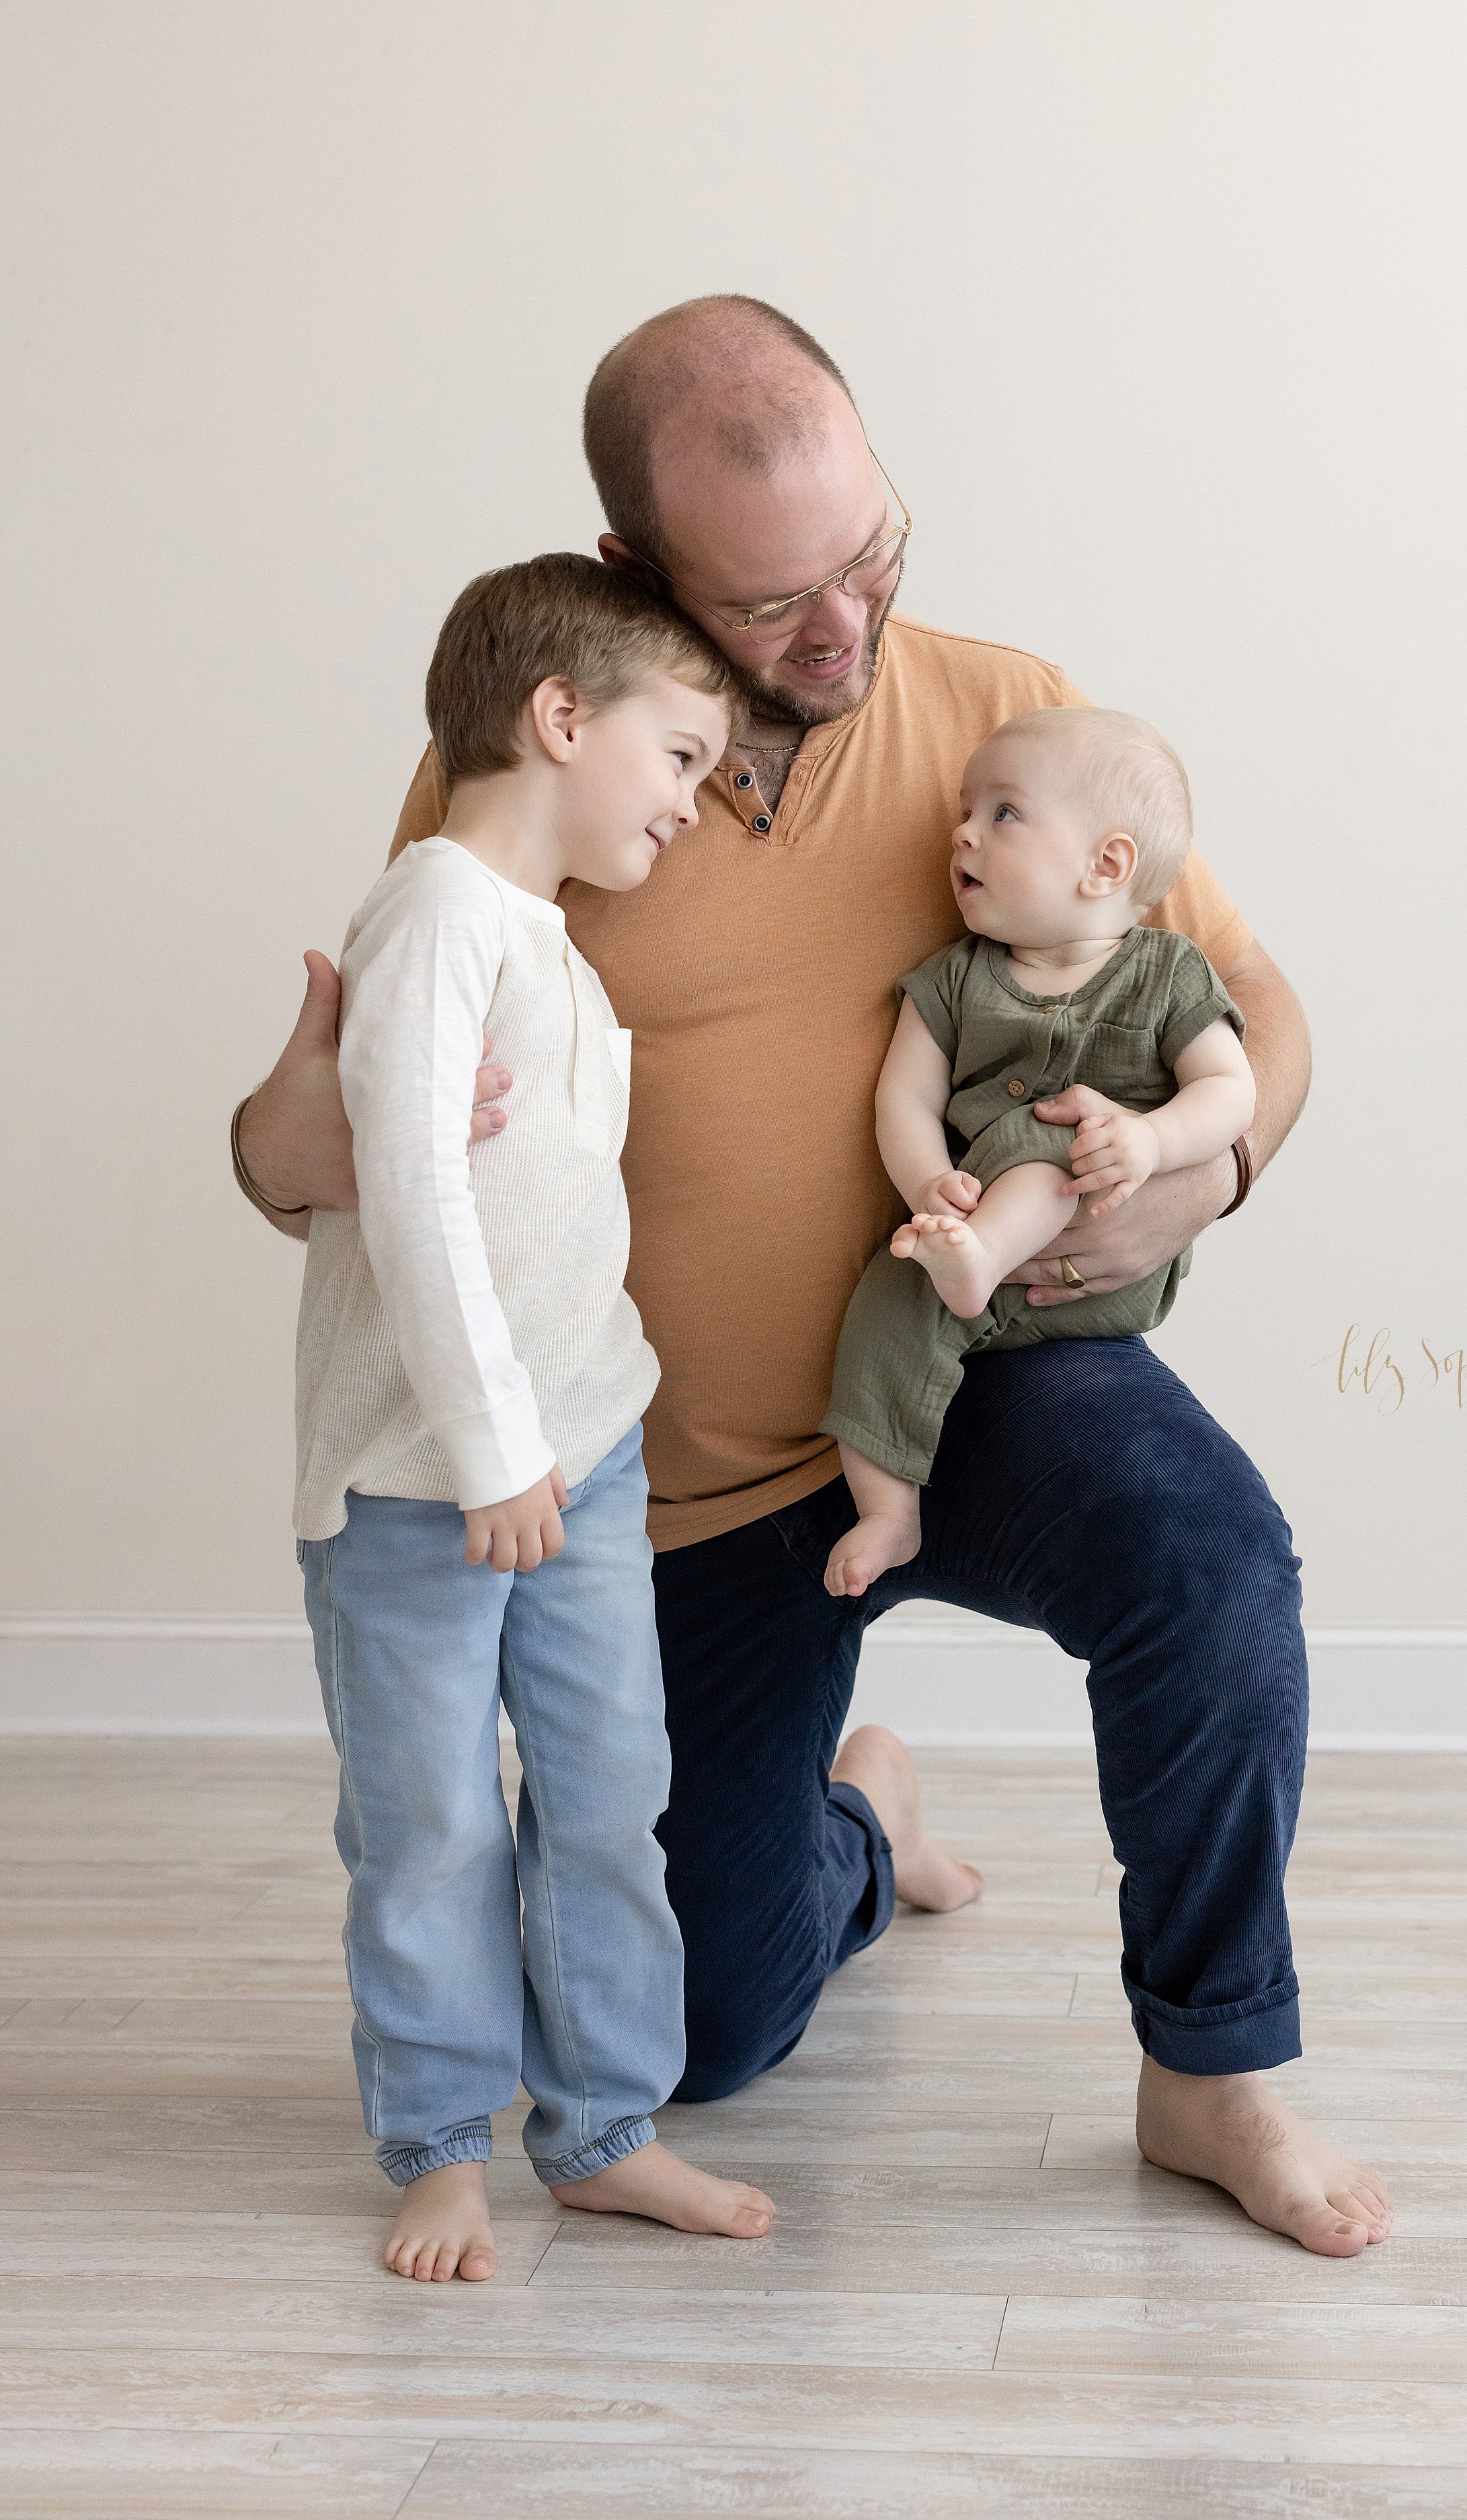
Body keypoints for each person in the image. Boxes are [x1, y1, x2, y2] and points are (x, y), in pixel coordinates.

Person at [237, 295, 1394, 2258]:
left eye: (872, 557)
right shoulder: (537, 781)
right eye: (774, 608)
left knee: (1208, 1557)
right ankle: (861, 1821)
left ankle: (1210, 2065)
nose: (843, 633)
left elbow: (1253, 1007)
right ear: (631, 576)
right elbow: (325, 1146)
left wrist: (1205, 1177)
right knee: (691, 2032)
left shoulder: (1005, 713)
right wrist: (290, 1136)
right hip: (676, 1479)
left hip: (979, 1362)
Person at [288, 551, 775, 2283]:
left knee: (607, 1784)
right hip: (431, 1478)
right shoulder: (429, 913)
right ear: (559, 718)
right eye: (678, 754)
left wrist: (563, 1433)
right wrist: (495, 1445)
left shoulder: (546, 943)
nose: (695, 798)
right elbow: (408, 1191)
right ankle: (438, 2139)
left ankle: (604, 2122)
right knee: (430, 1815)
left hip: (583, 1451)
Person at [822, 706, 1255, 1598]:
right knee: (884, 1303)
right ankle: (889, 1511)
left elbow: (1231, 1091)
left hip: (1104, 1262)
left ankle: (976, 1262)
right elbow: (903, 1098)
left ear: (1108, 864)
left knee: (1061, 1126)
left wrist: (1146, 1138)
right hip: (969, 1249)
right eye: (966, 811)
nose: (964, 832)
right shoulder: (954, 979)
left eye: (1003, 814)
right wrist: (928, 1186)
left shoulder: (1167, 973)